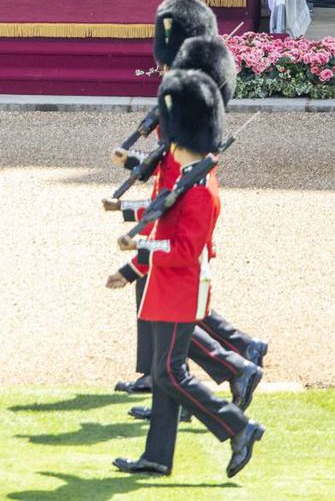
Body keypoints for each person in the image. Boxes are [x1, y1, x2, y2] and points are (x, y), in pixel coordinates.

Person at [108, 71, 265, 478]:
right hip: (164, 285)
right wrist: (133, 265)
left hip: (181, 286)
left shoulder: (200, 189)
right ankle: (158, 456)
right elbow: (162, 225)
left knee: (169, 373)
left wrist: (141, 249)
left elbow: (183, 249)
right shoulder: (183, 178)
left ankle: (238, 425)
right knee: (163, 375)